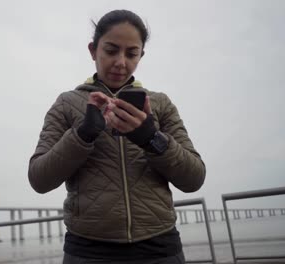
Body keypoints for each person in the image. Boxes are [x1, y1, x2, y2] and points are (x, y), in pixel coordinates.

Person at [28, 9, 205, 264]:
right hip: (87, 252)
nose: (121, 62)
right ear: (93, 50)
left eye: (131, 53)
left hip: (160, 248)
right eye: (111, 50)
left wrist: (151, 137)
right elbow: (39, 179)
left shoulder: (160, 104)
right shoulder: (67, 104)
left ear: (140, 55)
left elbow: (194, 178)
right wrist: (82, 134)